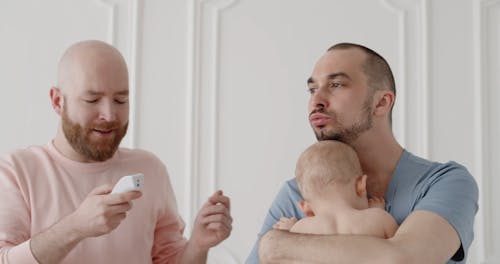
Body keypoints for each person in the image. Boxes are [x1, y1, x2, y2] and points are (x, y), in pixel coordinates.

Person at [0, 40, 232, 263]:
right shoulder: (16, 172)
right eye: (92, 100)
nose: (110, 115)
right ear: (58, 101)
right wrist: (75, 227)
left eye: (120, 100)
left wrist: (199, 245)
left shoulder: (149, 168)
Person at [247, 42, 478, 263]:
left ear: (381, 103)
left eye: (336, 84)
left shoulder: (444, 182)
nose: (316, 101)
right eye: (312, 89)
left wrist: (275, 245)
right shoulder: (298, 191)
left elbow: (404, 259)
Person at [273, 140, 398, 239]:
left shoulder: (299, 230)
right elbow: (400, 254)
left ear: (306, 208)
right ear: (361, 186)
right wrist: (378, 211)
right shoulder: (379, 220)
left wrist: (289, 230)